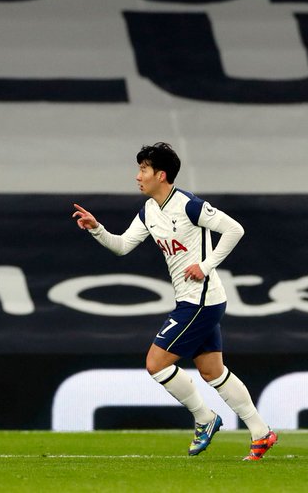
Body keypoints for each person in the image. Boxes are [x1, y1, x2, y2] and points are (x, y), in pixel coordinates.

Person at [71, 142, 277, 461]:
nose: (137, 176)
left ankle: (205, 418)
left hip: (201, 301)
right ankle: (261, 432)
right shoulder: (149, 210)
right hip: (193, 299)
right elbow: (122, 246)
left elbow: (234, 230)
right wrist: (96, 229)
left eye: (144, 169)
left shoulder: (189, 205)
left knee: (156, 363)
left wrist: (205, 266)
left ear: (161, 175)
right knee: (213, 372)